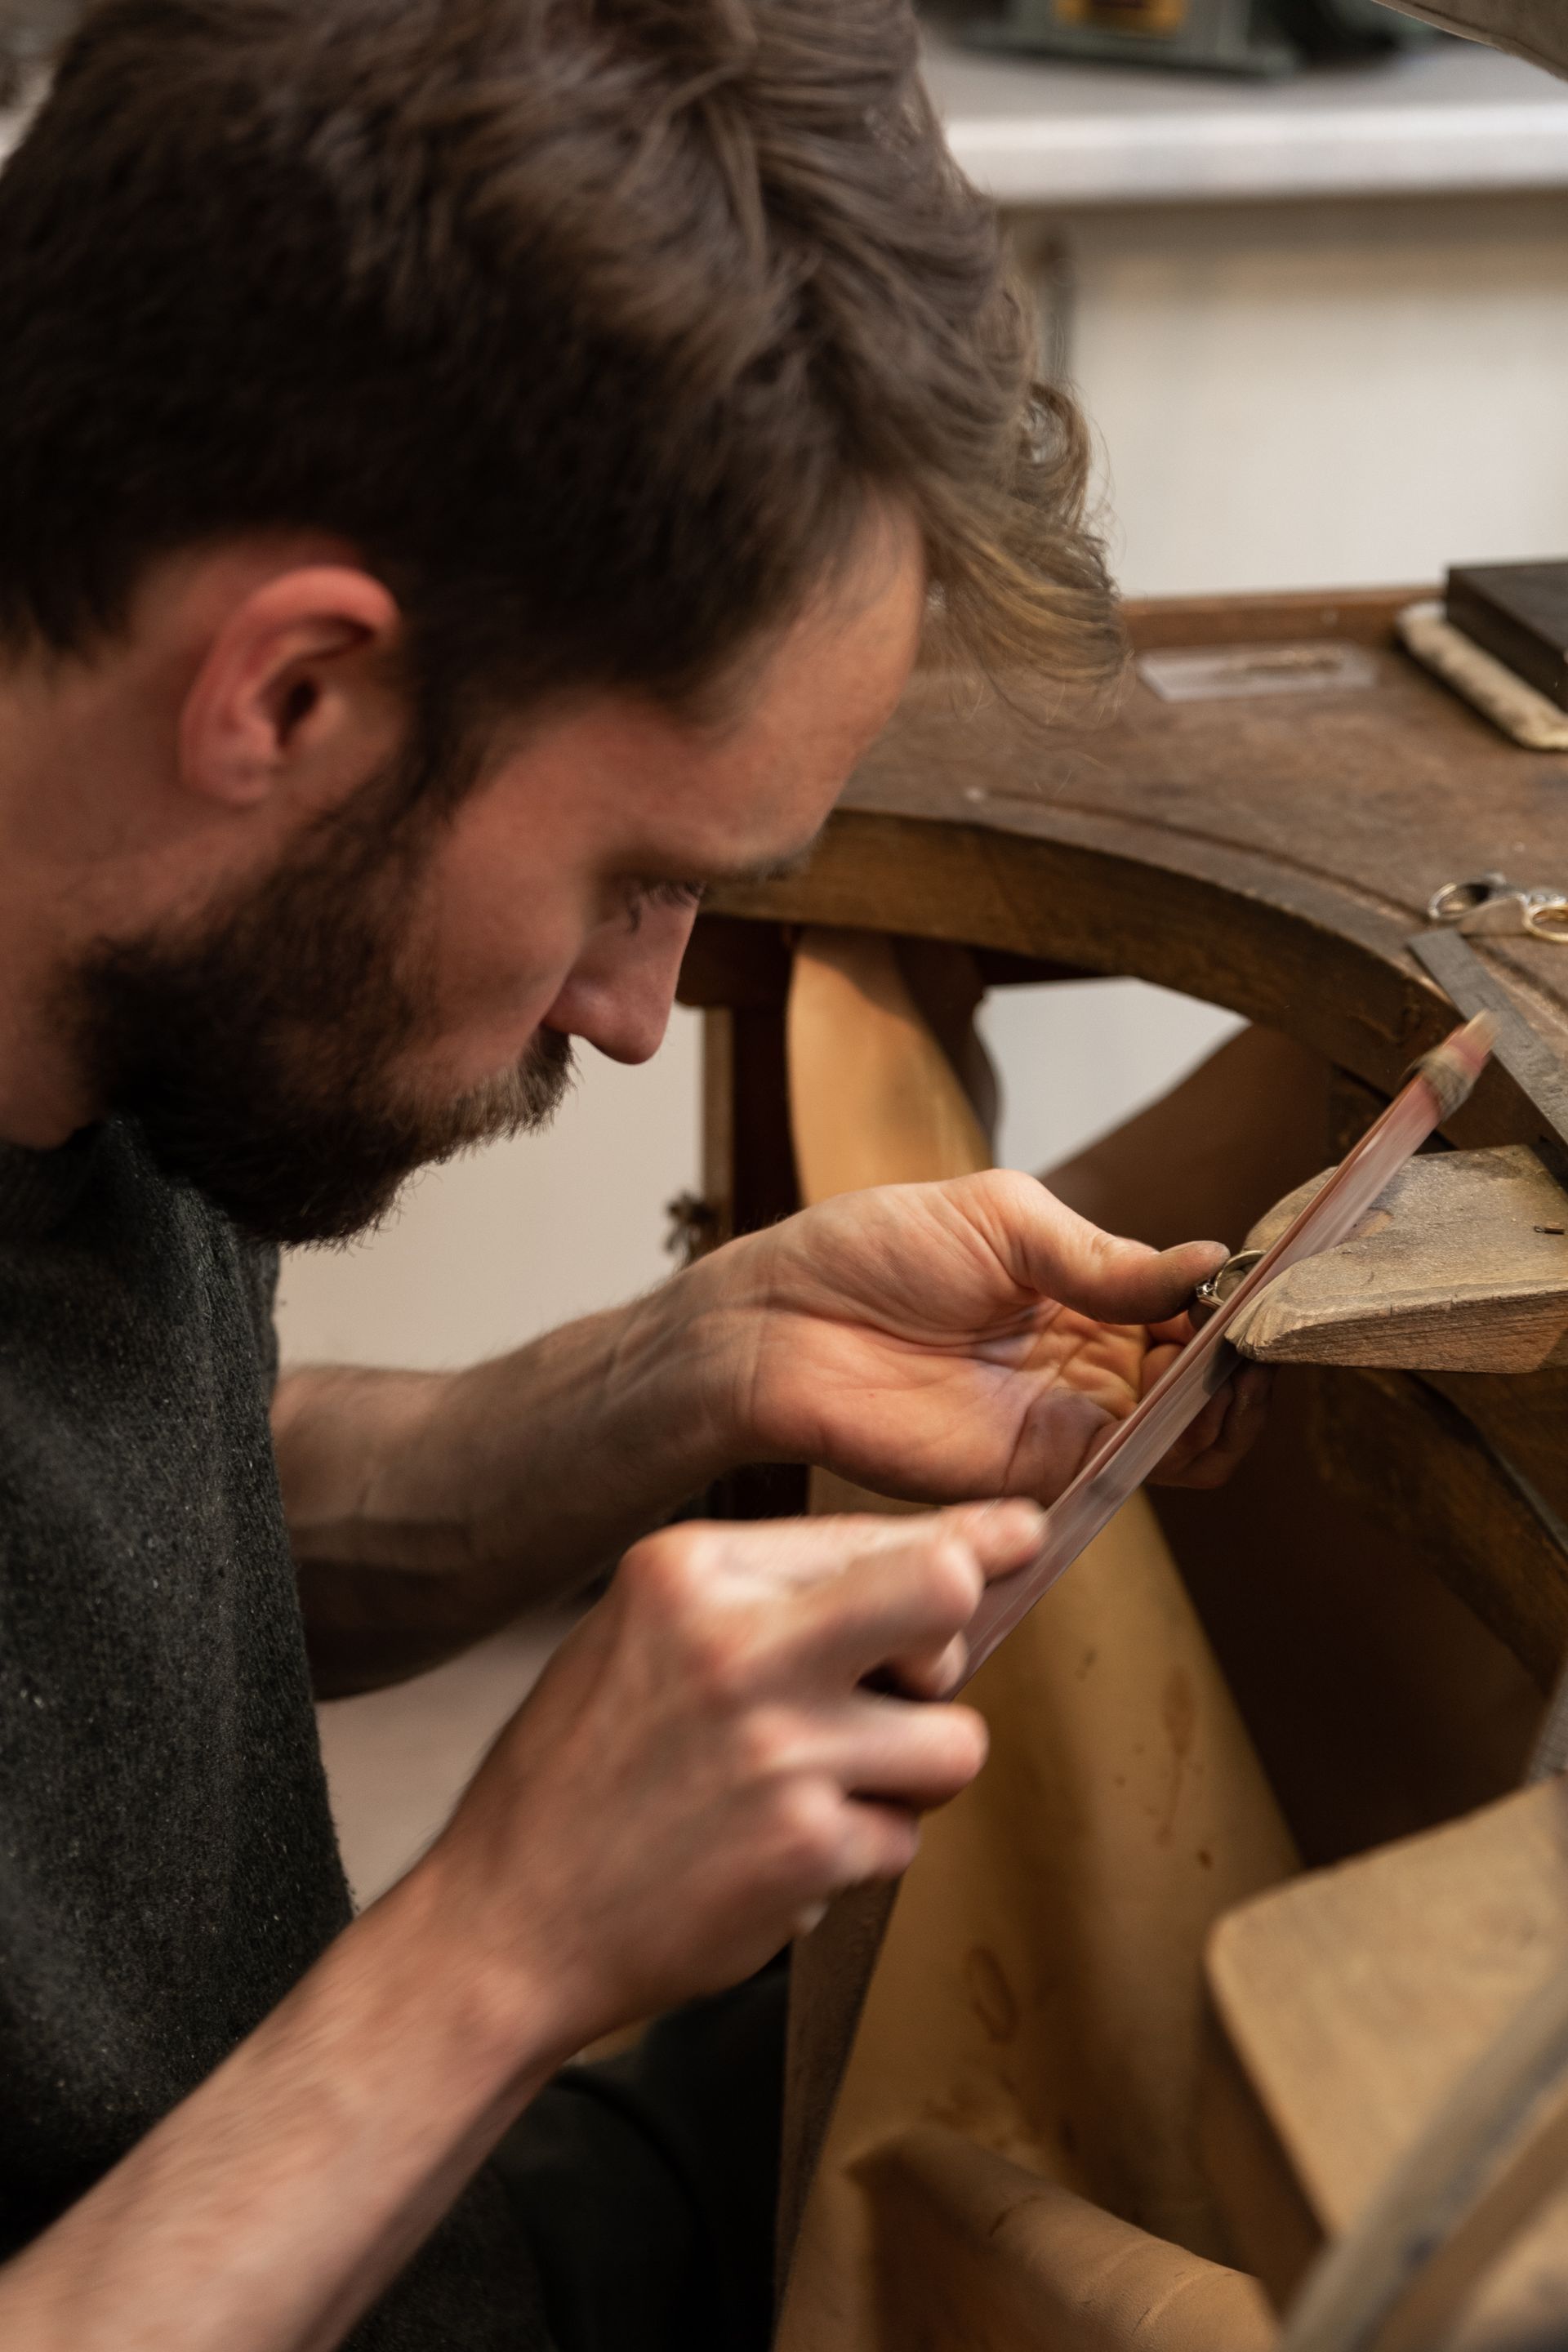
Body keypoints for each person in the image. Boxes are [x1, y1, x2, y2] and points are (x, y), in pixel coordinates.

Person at [0, 2, 1267, 2345]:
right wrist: (493, 1953)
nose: (628, 1009)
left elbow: (103, 1563)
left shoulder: (118, 999)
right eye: (635, 878)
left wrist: (691, 1368)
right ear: (288, 695)